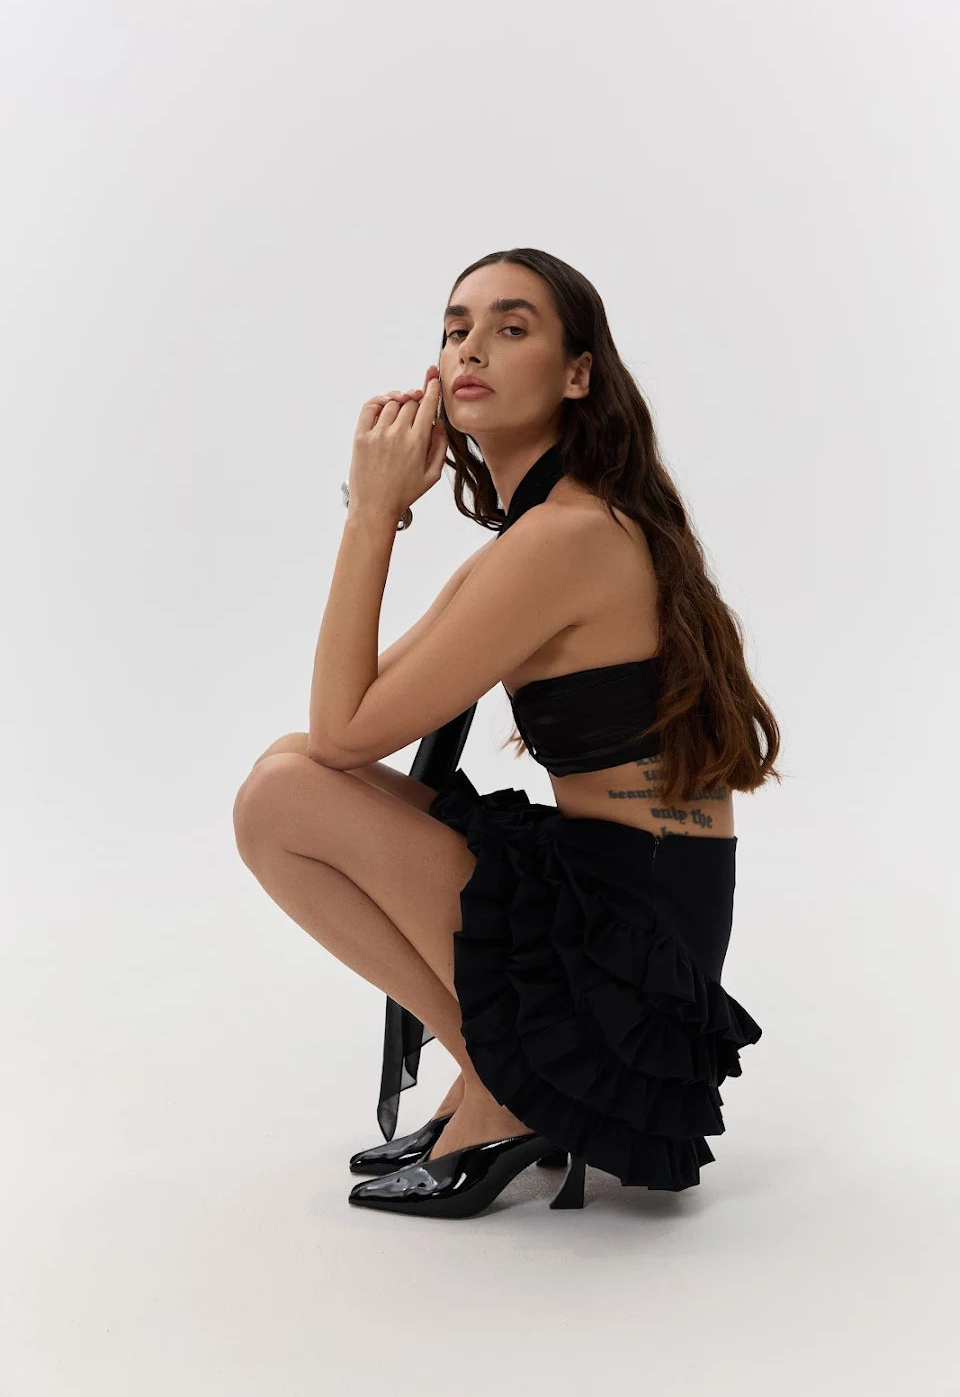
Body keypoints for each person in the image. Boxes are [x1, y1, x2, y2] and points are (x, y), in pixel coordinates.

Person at [233, 247, 777, 1220]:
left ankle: (505, 1090)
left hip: (630, 949)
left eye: (510, 327)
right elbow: (340, 725)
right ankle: (499, 1074)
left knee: (282, 796)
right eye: (455, 329)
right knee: (284, 771)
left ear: (578, 375)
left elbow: (343, 734)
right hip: (628, 896)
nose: (471, 348)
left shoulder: (565, 539)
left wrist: (372, 514)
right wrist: (377, 511)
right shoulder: (549, 530)